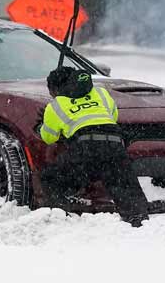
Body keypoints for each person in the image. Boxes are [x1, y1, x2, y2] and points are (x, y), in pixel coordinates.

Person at [39, 66, 150, 227]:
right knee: (123, 184)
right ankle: (138, 219)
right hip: (114, 144)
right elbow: (113, 116)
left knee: (50, 177)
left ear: (55, 89)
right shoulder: (101, 93)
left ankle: (61, 216)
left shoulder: (55, 106)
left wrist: (42, 124)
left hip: (85, 149)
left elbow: (48, 137)